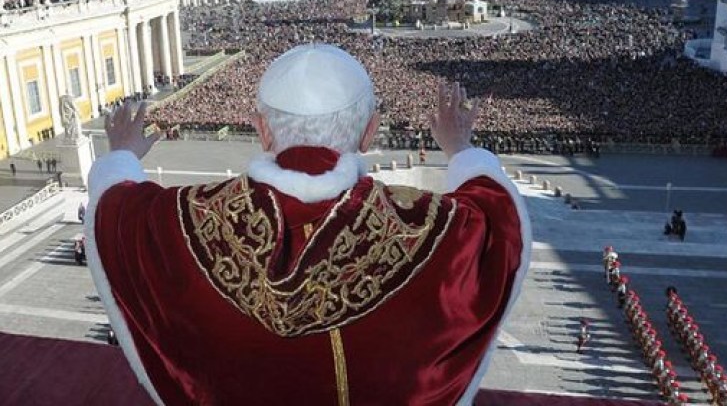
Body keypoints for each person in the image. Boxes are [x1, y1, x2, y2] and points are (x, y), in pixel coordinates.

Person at [85, 44, 531, 405]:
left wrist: (121, 152)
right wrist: (460, 148)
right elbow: (498, 224)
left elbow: (117, 211)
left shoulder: (189, 218)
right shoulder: (432, 228)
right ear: (369, 132)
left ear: (262, 129)